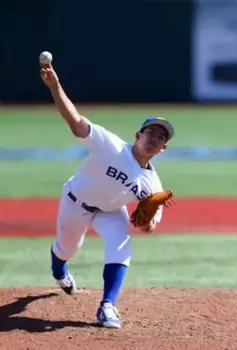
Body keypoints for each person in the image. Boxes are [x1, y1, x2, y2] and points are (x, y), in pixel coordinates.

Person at [40, 61, 174, 328]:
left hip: (111, 211)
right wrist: (55, 87)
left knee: (122, 245)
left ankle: (107, 306)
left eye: (161, 138)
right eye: (151, 132)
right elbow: (75, 121)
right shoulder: (110, 145)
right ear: (138, 135)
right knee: (67, 249)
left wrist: (145, 222)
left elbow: (149, 227)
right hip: (76, 202)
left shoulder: (153, 185)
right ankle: (59, 271)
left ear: (163, 149)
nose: (155, 138)